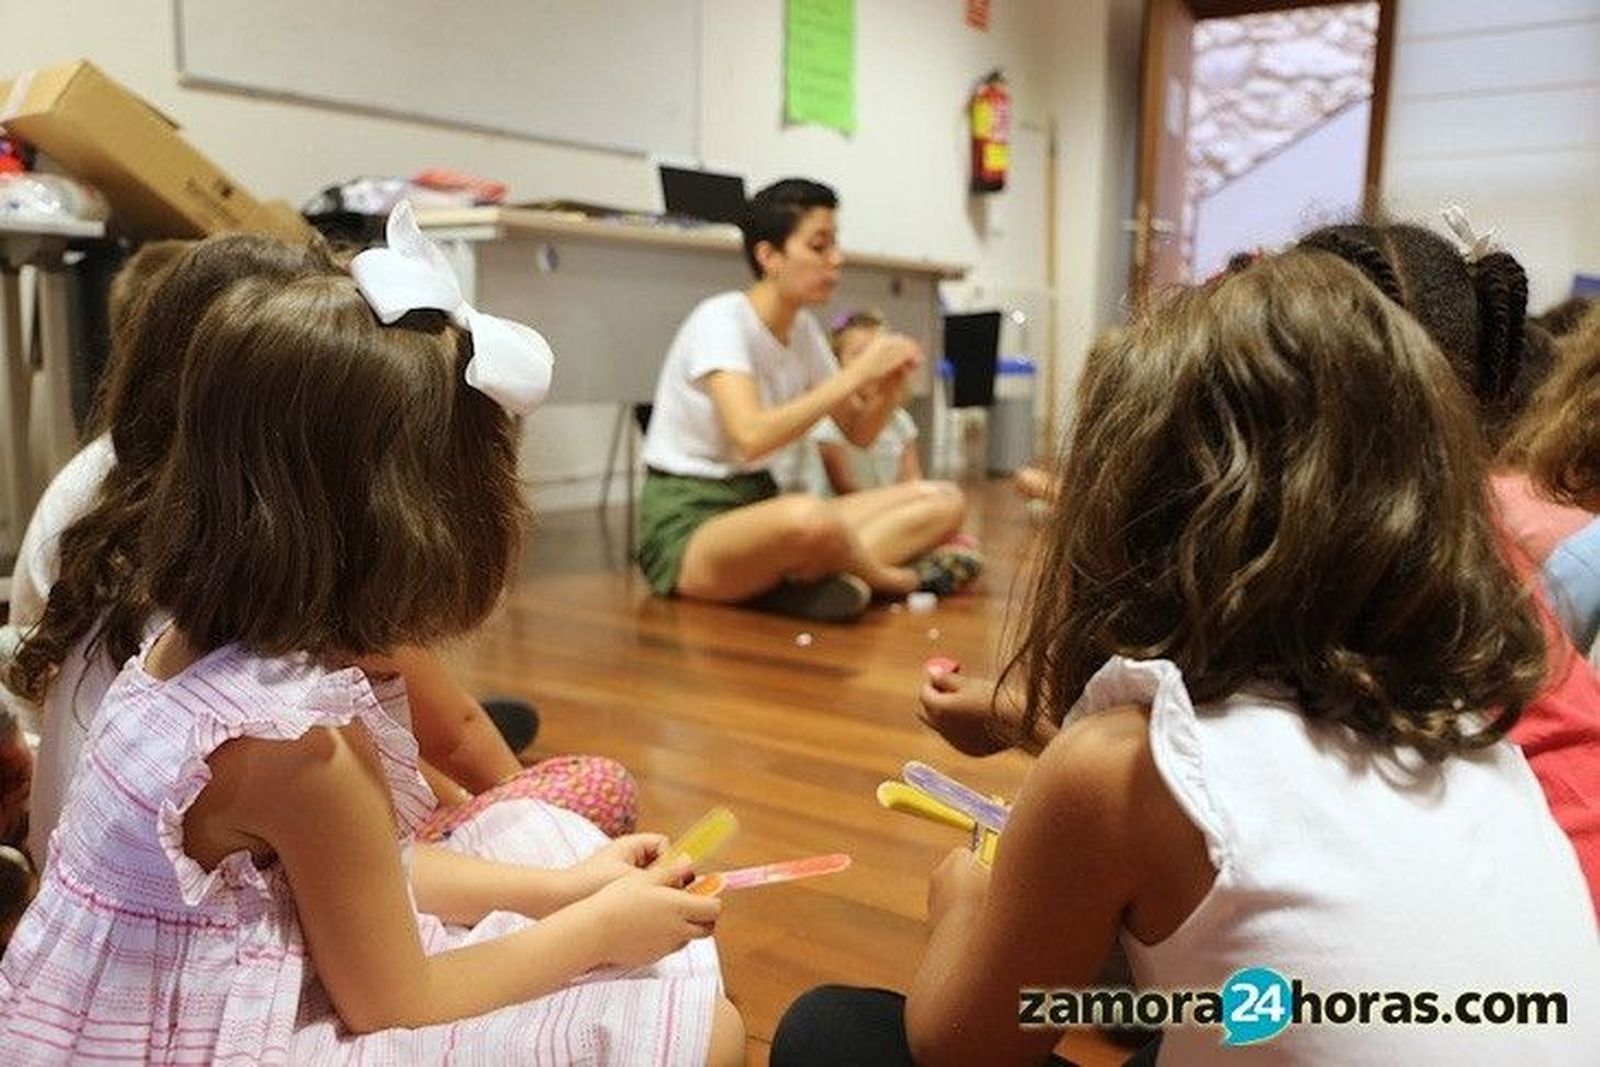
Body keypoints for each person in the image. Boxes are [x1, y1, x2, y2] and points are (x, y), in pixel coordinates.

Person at [773, 248, 1600, 1066]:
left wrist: (960, 906)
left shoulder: (1117, 766)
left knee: (831, 1035)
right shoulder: (1467, 719)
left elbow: (957, 1043)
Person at [0, 209, 743, 1063]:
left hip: (119, 1014)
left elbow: (364, 873)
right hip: (215, 1037)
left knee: (565, 853)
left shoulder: (192, 648)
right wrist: (597, 929)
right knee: (702, 1033)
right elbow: (399, 997)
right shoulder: (302, 745)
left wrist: (564, 892)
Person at [3, 235, 636, 874]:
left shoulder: (149, 521)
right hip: (281, 919)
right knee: (591, 802)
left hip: (93, 876)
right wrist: (568, 882)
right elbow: (388, 906)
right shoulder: (288, 709)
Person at [637, 178, 981, 621]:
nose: (836, 260)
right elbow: (751, 437)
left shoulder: (803, 331)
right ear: (769, 256)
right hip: (689, 526)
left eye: (835, 245)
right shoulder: (720, 321)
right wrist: (857, 372)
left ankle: (805, 582)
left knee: (942, 498)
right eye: (820, 246)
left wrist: (890, 383)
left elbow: (858, 432)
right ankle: (897, 580)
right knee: (807, 519)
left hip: (756, 506)